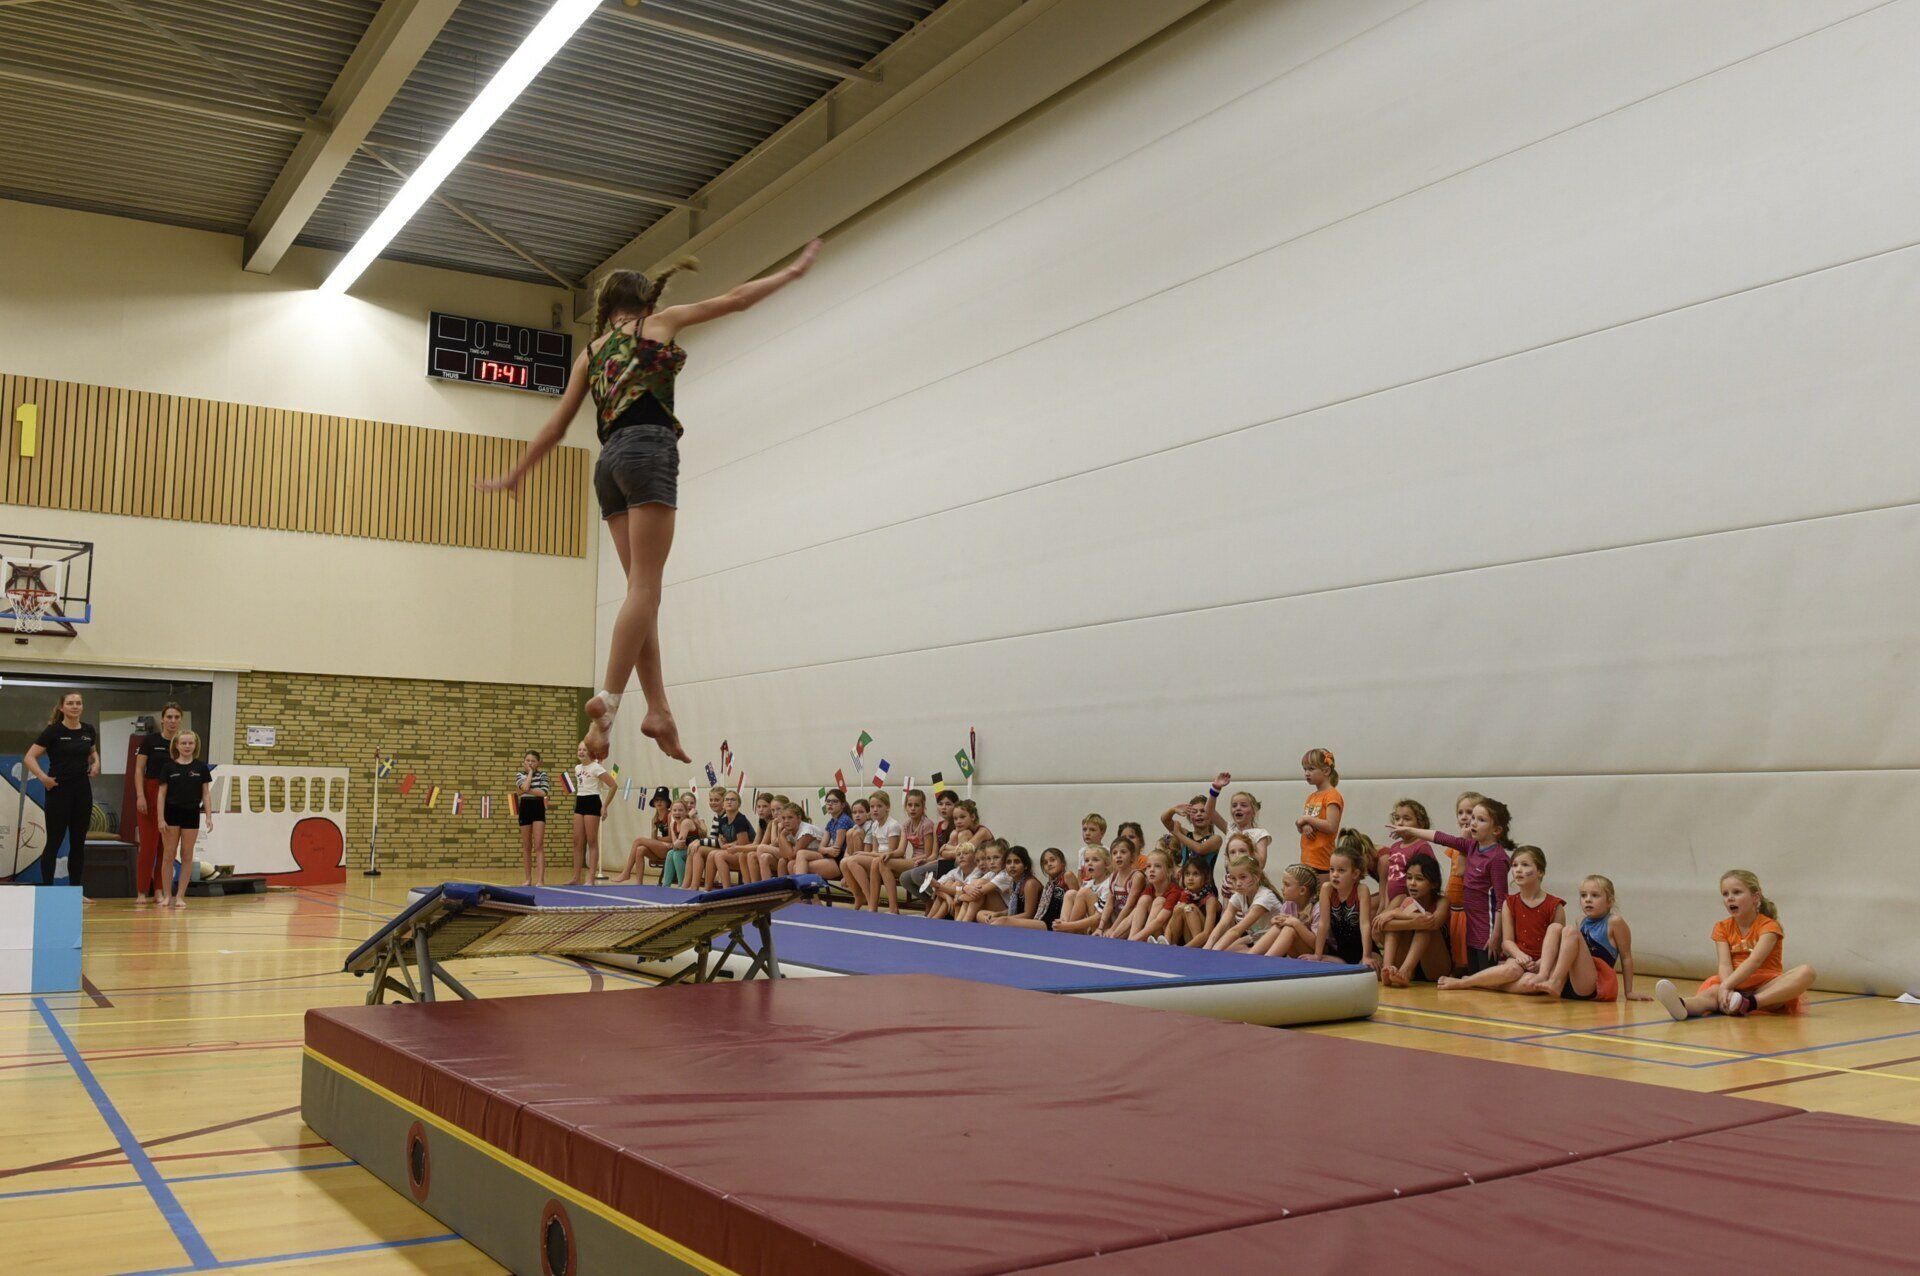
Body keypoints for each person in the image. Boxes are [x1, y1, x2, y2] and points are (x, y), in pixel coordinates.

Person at [479, 240, 825, 766]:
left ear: (608, 306)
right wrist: (792, 272)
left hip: (608, 466)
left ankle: (659, 710)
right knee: (645, 590)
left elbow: (557, 425)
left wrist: (517, 472)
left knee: (641, 596)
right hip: (648, 451)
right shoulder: (660, 323)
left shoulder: (591, 353)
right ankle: (609, 702)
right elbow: (736, 300)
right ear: (646, 301)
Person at [1654, 870, 1816, 1021]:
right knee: (1711, 994)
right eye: (1725, 894)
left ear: (1755, 897)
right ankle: (1682, 1005)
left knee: (1807, 972)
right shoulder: (1722, 927)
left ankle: (1749, 1003)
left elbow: (1755, 961)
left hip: (1765, 987)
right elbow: (1724, 964)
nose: (1730, 898)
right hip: (1735, 985)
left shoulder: (1769, 927)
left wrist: (1727, 985)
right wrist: (1727, 989)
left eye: (1737, 892)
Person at [1392, 796, 1513, 972]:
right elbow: (1441, 837)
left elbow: (1502, 901)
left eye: (1481, 820)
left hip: (1488, 930)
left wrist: (1496, 936)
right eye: (1473, 818)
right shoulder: (1471, 846)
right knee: (1475, 975)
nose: (1473, 823)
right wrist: (1410, 830)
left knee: (1487, 979)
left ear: (1496, 830)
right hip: (1472, 927)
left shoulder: (1497, 859)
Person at [1439, 846, 1561, 992]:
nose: (1518, 870)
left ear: (1540, 871)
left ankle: (1481, 982)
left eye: (1525, 865)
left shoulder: (1555, 905)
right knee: (1511, 971)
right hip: (1517, 959)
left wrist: (1540, 963)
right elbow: (1507, 941)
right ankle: (1464, 983)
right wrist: (1519, 955)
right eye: (1514, 865)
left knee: (1531, 983)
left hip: (1544, 963)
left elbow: (1557, 943)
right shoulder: (1509, 903)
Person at [1528, 874, 1643, 1002]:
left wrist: (1629, 992)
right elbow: (1567, 952)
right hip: (1572, 983)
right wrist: (1539, 962)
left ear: (1609, 901)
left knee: (1569, 931)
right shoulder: (1581, 921)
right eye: (1583, 895)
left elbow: (1626, 957)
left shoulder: (1614, 922)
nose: (1588, 900)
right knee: (1555, 927)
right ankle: (1543, 975)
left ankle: (1555, 981)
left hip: (1594, 986)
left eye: (1595, 895)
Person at [25, 692, 99, 888]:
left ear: (82, 707)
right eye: (70, 703)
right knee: (54, 842)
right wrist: (43, 778)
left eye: (78, 703)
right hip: (59, 791)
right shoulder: (53, 731)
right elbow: (29, 757)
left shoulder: (89, 730)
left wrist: (96, 762)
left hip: (82, 791)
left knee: (78, 843)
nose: (75, 706)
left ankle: (75, 891)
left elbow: (92, 751)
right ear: (62, 707)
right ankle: (48, 890)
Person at [155, 732, 214, 909]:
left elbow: (206, 793)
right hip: (171, 813)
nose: (187, 746)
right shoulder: (168, 767)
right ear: (177, 745)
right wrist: (160, 818)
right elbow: (161, 794)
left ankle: (180, 895)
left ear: (195, 745)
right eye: (183, 743)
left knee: (187, 854)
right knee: (168, 854)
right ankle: (167, 895)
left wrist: (209, 816)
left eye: (190, 743)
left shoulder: (201, 767)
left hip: (191, 813)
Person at [131, 702, 184, 903]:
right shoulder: (150, 741)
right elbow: (139, 770)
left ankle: (160, 890)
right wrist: (140, 795)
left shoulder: (183, 742)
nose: (172, 721)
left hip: (174, 795)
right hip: (151, 791)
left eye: (176, 717)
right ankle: (142, 891)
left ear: (181, 720)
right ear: (162, 719)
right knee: (148, 846)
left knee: (167, 847)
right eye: (169, 717)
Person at [1373, 856, 1452, 986]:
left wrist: (1396, 913)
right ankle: (1386, 969)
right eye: (1409, 878)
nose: (1412, 883)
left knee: (1424, 924)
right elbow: (1378, 926)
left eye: (1419, 879)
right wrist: (1410, 921)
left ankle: (1406, 971)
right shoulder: (1400, 899)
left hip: (1435, 967)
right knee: (1397, 924)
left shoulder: (1442, 901)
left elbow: (1432, 922)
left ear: (1434, 884)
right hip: (1400, 963)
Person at [1310, 840, 1375, 967]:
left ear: (1355, 874)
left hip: (1365, 951)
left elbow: (1365, 925)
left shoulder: (1361, 890)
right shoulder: (1327, 889)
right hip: (1340, 954)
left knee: (1369, 968)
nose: (1334, 875)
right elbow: (1323, 924)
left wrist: (1367, 956)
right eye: (1332, 869)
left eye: (1341, 870)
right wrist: (1317, 954)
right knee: (1315, 963)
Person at [1205, 851, 1283, 951]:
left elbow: (1237, 931)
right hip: (1257, 938)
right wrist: (1208, 946)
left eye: (1243, 877)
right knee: (1226, 951)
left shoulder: (1264, 897)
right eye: (1233, 878)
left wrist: (1213, 952)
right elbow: (1222, 924)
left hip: (1277, 942)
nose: (1238, 883)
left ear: (1257, 877)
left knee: (1230, 955)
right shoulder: (1239, 896)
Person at [872, 788, 928, 913]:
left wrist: (911, 860)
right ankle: (880, 906)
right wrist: (890, 853)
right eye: (910, 805)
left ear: (923, 807)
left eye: (916, 805)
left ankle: (893, 907)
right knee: (881, 861)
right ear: (905, 807)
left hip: (924, 861)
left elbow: (928, 854)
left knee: (882, 863)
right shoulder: (906, 825)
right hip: (912, 861)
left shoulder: (926, 824)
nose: (913, 808)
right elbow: (901, 851)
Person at [1249, 863, 1322, 957]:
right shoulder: (1289, 904)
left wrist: (1296, 923)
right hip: (1295, 951)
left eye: (1286, 885)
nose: (1282, 888)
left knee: (1289, 929)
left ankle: (1266, 961)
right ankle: (1250, 957)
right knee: (1278, 927)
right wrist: (1275, 921)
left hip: (1314, 953)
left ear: (1302, 890)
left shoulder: (1317, 909)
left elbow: (1318, 946)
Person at [689, 789, 755, 890]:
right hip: (732, 850)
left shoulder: (740, 819)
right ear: (723, 804)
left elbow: (743, 844)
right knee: (711, 854)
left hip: (745, 852)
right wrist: (725, 844)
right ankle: (707, 889)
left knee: (718, 855)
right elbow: (720, 841)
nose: (729, 802)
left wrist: (727, 845)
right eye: (727, 800)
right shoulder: (723, 820)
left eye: (733, 800)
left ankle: (726, 890)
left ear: (739, 804)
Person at [566, 745, 613, 885]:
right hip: (580, 802)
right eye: (579, 749)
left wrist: (604, 806)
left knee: (592, 841)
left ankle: (591, 878)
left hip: (592, 802)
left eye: (584, 750)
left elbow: (613, 785)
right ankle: (576, 877)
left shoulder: (596, 767)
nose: (581, 752)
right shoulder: (577, 768)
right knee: (577, 841)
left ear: (590, 752)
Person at [991, 848, 1072, 930]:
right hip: (1043, 921)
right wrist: (999, 914)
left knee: (1002, 921)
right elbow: (1015, 908)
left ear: (1063, 863)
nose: (1012, 866)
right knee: (986, 916)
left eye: (1052, 860)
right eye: (1008, 862)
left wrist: (1005, 918)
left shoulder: (1030, 883)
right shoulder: (1050, 884)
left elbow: (1029, 914)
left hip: (1049, 923)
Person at [1203, 773, 1273, 867]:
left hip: (1250, 875)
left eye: (1243, 805)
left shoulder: (1260, 834)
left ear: (1253, 811)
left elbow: (1261, 864)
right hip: (1231, 875)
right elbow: (1209, 811)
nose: (1238, 808)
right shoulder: (1230, 828)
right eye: (1234, 806)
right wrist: (1215, 789)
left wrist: (1246, 842)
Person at [1296, 748, 1343, 879]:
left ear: (1326, 771)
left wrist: (1307, 819)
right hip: (1307, 858)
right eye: (1305, 769)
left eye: (1311, 769)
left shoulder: (1332, 795)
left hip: (1322, 860)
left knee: (1323, 892)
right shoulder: (1312, 797)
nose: (1306, 773)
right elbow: (1301, 824)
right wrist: (1304, 825)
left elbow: (1331, 826)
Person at [614, 787, 677, 884]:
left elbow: (671, 838)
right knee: (640, 849)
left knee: (638, 840)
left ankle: (626, 872)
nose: (659, 802)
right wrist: (655, 836)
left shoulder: (670, 815)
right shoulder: (655, 819)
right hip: (661, 848)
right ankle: (639, 883)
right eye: (656, 800)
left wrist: (658, 838)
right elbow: (653, 840)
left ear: (667, 803)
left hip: (670, 848)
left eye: (662, 800)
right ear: (654, 803)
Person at [510, 752, 551, 886]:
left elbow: (543, 792)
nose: (530, 763)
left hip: (538, 808)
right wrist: (530, 775)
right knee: (527, 845)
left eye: (533, 761)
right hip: (525, 808)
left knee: (538, 845)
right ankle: (528, 879)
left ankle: (540, 879)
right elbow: (524, 786)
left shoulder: (543, 775)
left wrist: (524, 790)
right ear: (524, 762)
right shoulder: (520, 775)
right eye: (527, 760)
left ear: (538, 763)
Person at [1159, 799, 1223, 882]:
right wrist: (1173, 810)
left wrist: (1178, 834)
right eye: (1194, 812)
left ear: (1211, 816)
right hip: (1185, 886)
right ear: (1190, 817)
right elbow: (1164, 820)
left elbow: (1200, 849)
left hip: (1207, 887)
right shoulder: (1186, 834)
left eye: (1203, 811)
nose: (1199, 814)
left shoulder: (1216, 839)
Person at [1054, 845, 1112, 935]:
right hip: (1090, 925)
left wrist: (1069, 926)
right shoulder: (1088, 883)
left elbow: (1098, 917)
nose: (1090, 863)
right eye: (1087, 860)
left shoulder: (1108, 884)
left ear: (1107, 864)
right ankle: (1063, 923)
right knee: (1070, 893)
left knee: (1084, 892)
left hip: (1103, 927)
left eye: (1095, 860)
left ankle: (1067, 929)